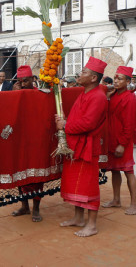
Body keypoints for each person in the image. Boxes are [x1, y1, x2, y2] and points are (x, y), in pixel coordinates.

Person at [55, 57, 108, 237]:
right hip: (76, 145)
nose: (80, 74)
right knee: (76, 183)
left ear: (94, 78)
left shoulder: (98, 97)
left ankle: (91, 225)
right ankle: (78, 218)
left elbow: (88, 123)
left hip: (87, 146)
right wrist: (65, 120)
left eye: (84, 72)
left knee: (88, 185)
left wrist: (65, 124)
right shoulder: (85, 93)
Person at [11, 65, 43, 222]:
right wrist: (14, 95)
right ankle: (24, 206)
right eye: (20, 81)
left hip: (36, 141)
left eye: (25, 81)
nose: (23, 84)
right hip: (20, 141)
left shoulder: (40, 94)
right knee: (20, 175)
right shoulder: (16, 93)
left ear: (32, 80)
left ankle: (36, 209)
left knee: (36, 177)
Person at [102, 66, 136, 215]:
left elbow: (129, 124)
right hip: (112, 139)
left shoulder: (130, 98)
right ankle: (116, 200)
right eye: (115, 78)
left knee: (128, 172)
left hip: (123, 141)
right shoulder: (113, 95)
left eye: (120, 78)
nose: (116, 81)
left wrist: (122, 144)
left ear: (128, 81)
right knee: (115, 171)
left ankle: (134, 204)